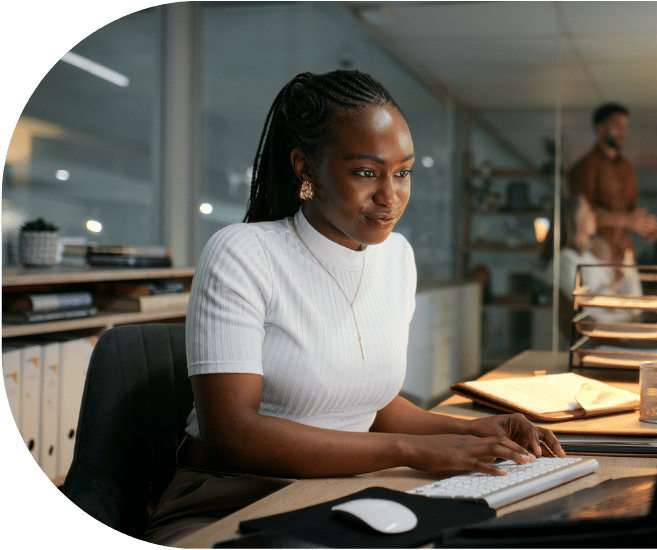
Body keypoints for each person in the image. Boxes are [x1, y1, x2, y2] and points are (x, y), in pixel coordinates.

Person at [143, 70, 564, 545]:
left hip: (344, 491)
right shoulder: (243, 253)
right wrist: (412, 451)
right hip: (229, 500)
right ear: (306, 169)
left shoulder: (397, 258)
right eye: (367, 172)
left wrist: (472, 431)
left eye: (402, 172)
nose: (390, 197)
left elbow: (368, 405)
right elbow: (233, 437)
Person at [567, 102, 657, 265]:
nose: (623, 131)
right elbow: (580, 215)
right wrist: (627, 221)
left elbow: (631, 213)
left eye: (626, 126)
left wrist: (645, 225)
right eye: (617, 125)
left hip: (626, 254)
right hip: (595, 255)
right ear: (600, 128)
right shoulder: (584, 167)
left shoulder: (628, 169)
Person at [538, 195, 641, 342]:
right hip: (600, 335)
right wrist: (617, 281)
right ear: (575, 220)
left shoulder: (586, 256)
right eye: (588, 212)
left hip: (613, 325)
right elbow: (587, 308)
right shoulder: (565, 259)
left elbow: (612, 290)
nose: (594, 216)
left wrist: (622, 271)